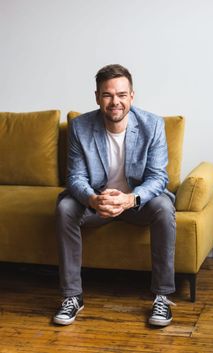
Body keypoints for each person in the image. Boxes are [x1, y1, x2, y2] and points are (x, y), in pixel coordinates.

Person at [53, 64, 176, 327]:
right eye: (107, 95)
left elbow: (158, 177)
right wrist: (93, 200)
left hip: (137, 205)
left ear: (132, 96)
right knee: (65, 208)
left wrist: (130, 199)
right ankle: (72, 296)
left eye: (121, 94)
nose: (115, 102)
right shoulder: (80, 126)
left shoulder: (153, 125)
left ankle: (163, 297)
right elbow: (75, 177)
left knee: (165, 207)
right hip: (98, 204)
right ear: (97, 97)